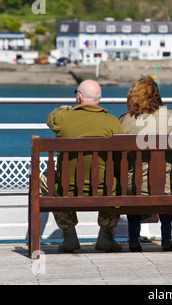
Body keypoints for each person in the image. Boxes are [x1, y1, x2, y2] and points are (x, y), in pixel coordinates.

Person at [42, 79, 124, 253]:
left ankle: (69, 234)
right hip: (104, 190)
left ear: (79, 97)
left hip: (68, 189)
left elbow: (51, 119)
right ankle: (106, 235)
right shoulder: (112, 122)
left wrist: (63, 109)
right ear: (99, 99)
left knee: (43, 178)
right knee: (116, 179)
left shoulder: (64, 119)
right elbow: (119, 160)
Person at [119, 76, 172, 252]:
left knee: (132, 182)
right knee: (168, 175)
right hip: (170, 187)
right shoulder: (170, 116)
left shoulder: (124, 121)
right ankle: (166, 237)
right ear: (156, 95)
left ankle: (133, 238)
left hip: (135, 188)